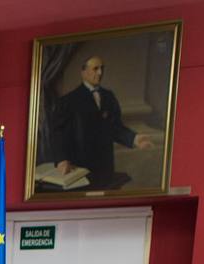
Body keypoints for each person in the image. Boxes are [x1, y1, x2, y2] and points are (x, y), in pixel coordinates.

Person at [50, 56, 153, 189]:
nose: (100, 73)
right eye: (95, 69)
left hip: (105, 168)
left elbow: (115, 127)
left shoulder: (109, 96)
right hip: (79, 168)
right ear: (83, 72)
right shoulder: (68, 101)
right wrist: (61, 159)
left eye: (101, 69)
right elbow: (57, 133)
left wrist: (134, 138)